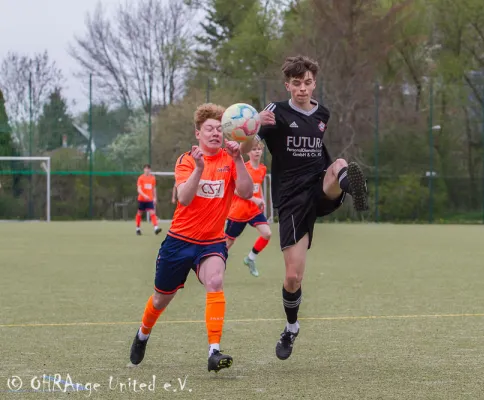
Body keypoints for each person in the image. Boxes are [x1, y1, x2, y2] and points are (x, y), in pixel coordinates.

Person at [241, 55, 369, 361]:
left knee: (339, 163)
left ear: (314, 83)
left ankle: (352, 189)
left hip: (319, 187)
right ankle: (291, 327)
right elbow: (247, 149)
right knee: (293, 277)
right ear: (287, 85)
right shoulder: (275, 112)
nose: (302, 88)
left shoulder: (323, 113)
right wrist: (254, 123)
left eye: (308, 83)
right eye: (296, 83)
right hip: (291, 200)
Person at [129, 103, 254, 373]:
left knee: (215, 280)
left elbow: (245, 191)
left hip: (211, 242)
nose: (215, 133)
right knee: (161, 299)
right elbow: (184, 198)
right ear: (198, 133)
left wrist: (238, 159)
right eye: (209, 128)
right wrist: (199, 168)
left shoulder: (229, 159)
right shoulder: (187, 160)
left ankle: (214, 351)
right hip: (179, 241)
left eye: (219, 129)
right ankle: (143, 333)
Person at [225, 141, 271, 277]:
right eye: (254, 149)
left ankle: (250, 258)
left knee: (267, 233)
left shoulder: (262, 169)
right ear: (248, 152)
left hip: (254, 211)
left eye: (259, 149)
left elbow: (257, 186)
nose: (256, 152)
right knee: (228, 243)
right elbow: (234, 189)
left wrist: (261, 199)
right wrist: (254, 199)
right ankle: (212, 263)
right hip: (238, 211)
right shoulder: (243, 168)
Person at [136, 164, 162, 235]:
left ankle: (156, 228)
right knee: (140, 213)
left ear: (150, 170)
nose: (147, 170)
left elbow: (154, 188)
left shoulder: (152, 178)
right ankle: (138, 228)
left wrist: (155, 197)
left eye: (148, 169)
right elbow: (139, 189)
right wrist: (144, 195)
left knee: (152, 213)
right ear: (144, 170)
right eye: (146, 168)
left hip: (149, 199)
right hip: (141, 199)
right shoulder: (141, 178)